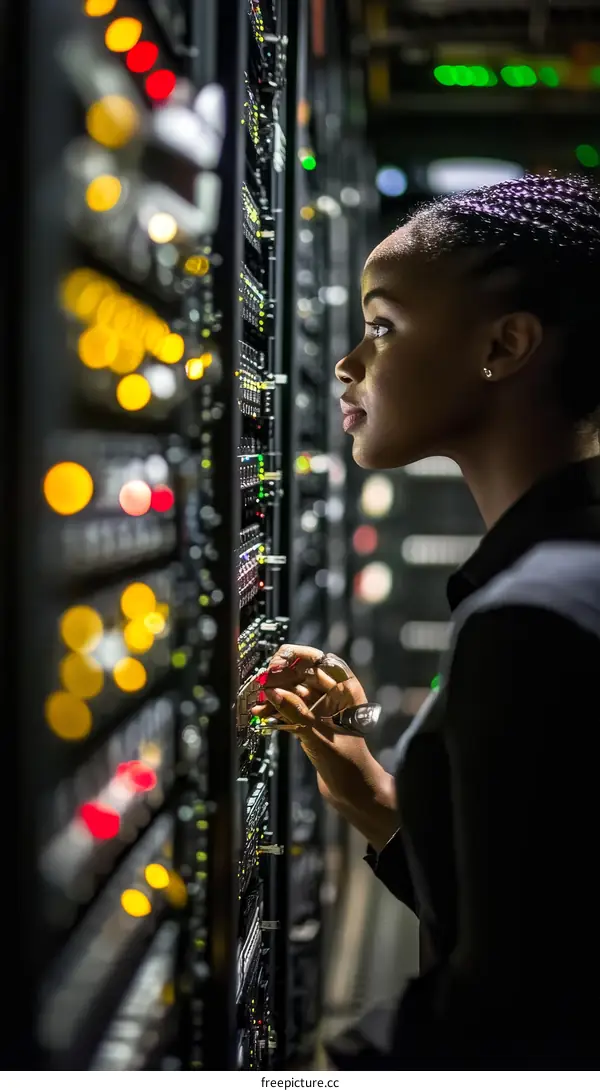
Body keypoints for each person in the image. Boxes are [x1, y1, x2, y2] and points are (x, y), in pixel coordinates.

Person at [252, 173, 600, 1068]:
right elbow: (546, 922)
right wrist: (372, 794)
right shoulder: (557, 582)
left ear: (505, 344)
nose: (347, 361)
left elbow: (504, 1023)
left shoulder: (533, 620)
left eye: (382, 324)